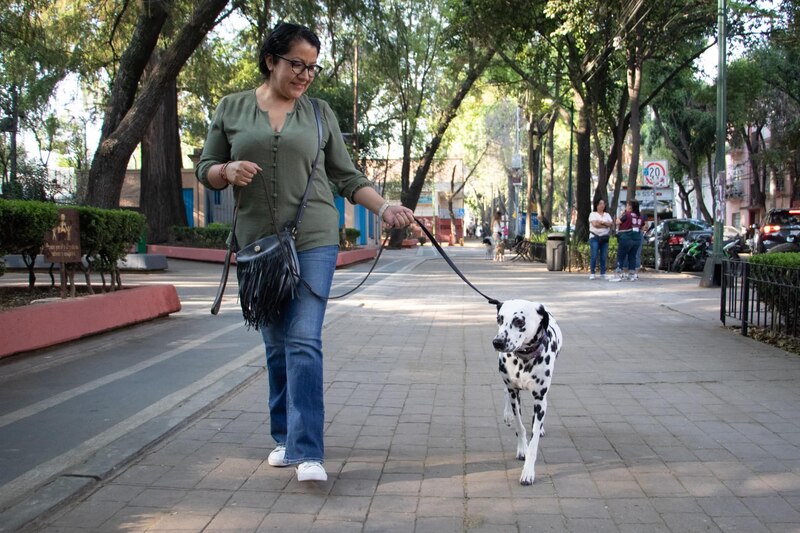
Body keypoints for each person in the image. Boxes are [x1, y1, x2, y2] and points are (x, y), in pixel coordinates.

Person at [195, 22, 414, 482]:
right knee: (275, 344)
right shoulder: (231, 108)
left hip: (314, 236)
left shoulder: (319, 114)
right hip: (258, 244)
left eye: (312, 67)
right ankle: (284, 436)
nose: (305, 75)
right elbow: (205, 167)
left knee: (304, 339)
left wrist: (387, 206)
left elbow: (348, 178)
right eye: (297, 64)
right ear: (271, 60)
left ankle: (308, 451)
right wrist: (226, 170)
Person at [610, 200, 644, 281]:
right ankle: (632, 274)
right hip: (636, 239)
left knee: (621, 256)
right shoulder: (639, 216)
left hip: (626, 238)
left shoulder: (627, 215)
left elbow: (617, 222)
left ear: (630, 207)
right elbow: (643, 227)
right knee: (632, 256)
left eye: (627, 205)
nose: (626, 207)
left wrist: (621, 214)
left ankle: (618, 273)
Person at [588, 199, 613, 279]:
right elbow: (595, 224)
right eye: (600, 204)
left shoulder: (607, 215)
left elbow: (610, 224)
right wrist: (605, 224)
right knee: (594, 255)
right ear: (596, 205)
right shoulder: (593, 214)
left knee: (603, 256)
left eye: (603, 203)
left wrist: (601, 222)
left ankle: (603, 273)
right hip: (594, 237)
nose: (602, 205)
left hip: (604, 237)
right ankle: (592, 273)